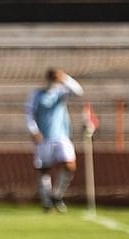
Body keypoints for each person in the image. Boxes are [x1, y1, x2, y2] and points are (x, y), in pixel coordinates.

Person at [25, 68, 84, 213]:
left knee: (70, 165)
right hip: (44, 138)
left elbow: (78, 91)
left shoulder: (61, 92)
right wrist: (34, 130)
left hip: (62, 136)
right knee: (44, 169)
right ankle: (46, 201)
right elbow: (29, 113)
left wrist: (65, 77)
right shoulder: (37, 94)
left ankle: (57, 195)